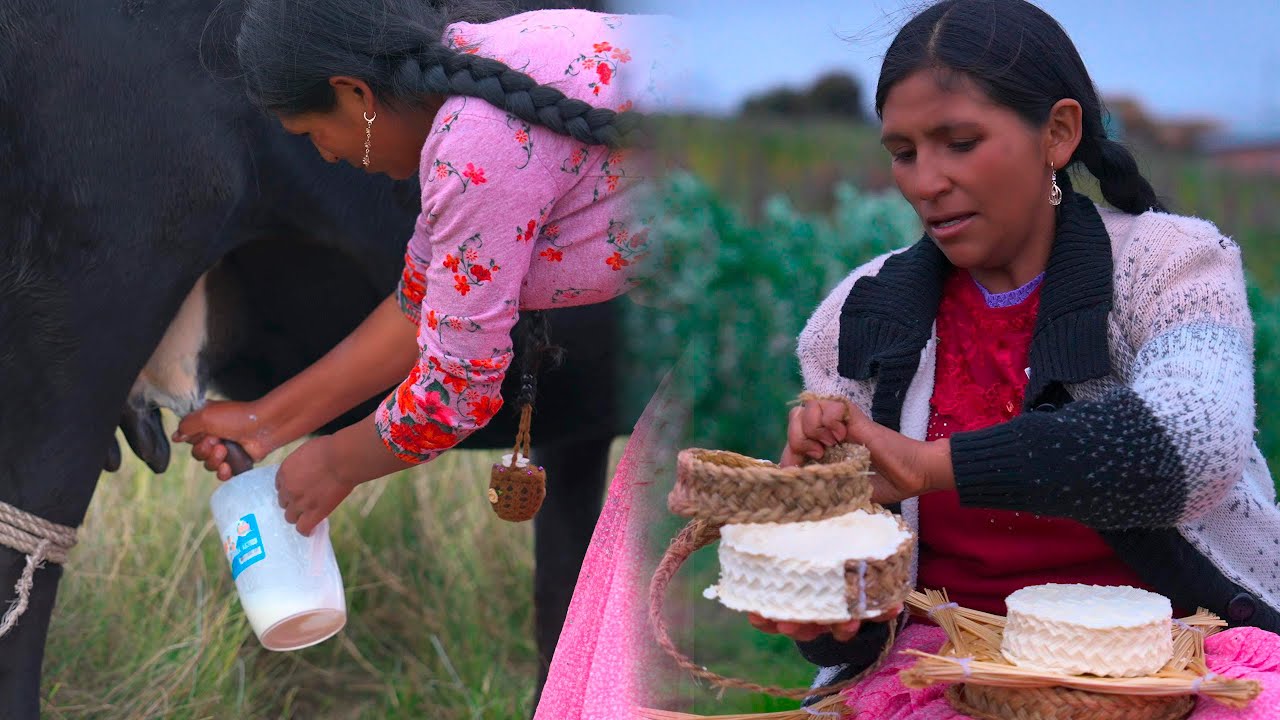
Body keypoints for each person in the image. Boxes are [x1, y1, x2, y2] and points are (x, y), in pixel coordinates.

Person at [762, 0, 1280, 716]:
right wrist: (824, 608)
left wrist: (932, 465)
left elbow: (1193, 442)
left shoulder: (1174, 265)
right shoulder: (858, 318)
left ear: (1058, 134)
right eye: (904, 152)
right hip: (949, 674)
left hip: (1180, 668)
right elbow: (862, 618)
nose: (925, 181)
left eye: (960, 142)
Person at [175, 2, 666, 536]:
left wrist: (336, 463)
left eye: (313, 133)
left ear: (355, 95)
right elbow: (423, 300)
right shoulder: (488, 65)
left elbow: (458, 387)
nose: (328, 156)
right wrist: (263, 423)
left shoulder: (474, 146)